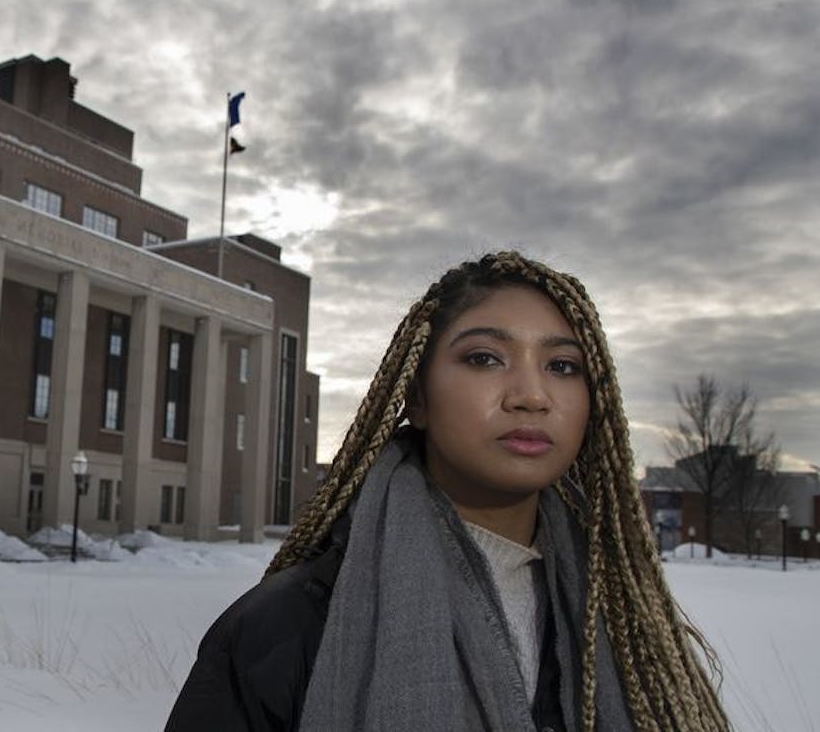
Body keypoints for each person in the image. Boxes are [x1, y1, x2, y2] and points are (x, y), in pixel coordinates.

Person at [166, 251, 729, 732]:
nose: (532, 395)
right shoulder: (284, 628)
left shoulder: (631, 630)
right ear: (417, 397)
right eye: (484, 358)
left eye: (562, 365)